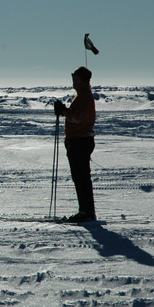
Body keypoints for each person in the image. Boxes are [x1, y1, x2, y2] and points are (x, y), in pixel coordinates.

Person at [54, 66, 96, 223]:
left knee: (81, 178)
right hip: (79, 140)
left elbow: (78, 117)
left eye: (74, 76)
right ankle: (86, 211)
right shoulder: (82, 94)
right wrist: (64, 111)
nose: (72, 79)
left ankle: (86, 212)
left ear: (80, 79)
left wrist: (64, 111)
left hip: (79, 141)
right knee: (81, 177)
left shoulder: (84, 95)